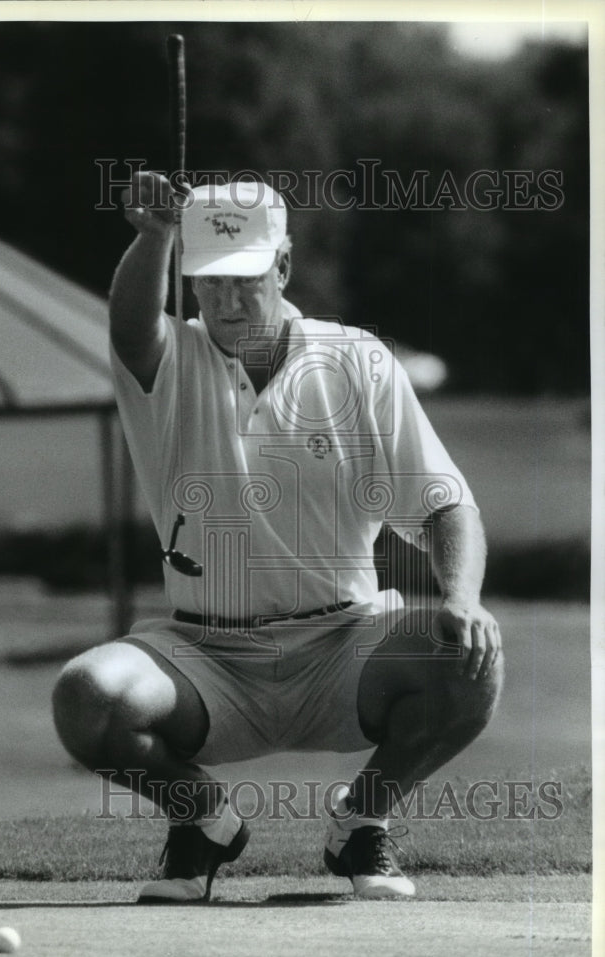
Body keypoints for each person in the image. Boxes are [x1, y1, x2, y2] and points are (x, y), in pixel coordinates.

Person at [52, 171, 504, 903]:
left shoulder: (358, 361)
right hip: (204, 659)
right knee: (87, 697)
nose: (228, 301)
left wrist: (462, 596)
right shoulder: (172, 363)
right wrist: (155, 235)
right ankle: (203, 821)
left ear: (284, 268)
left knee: (470, 656)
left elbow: (447, 505)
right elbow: (130, 328)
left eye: (247, 278)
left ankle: (360, 825)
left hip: (344, 646)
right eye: (210, 282)